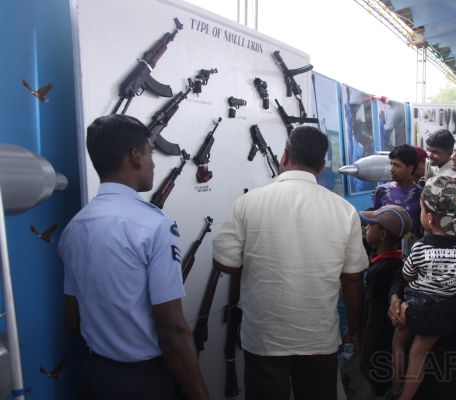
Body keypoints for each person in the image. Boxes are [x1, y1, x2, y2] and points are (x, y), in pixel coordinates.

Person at [210, 126, 368, 400]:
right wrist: (354, 329)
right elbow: (353, 278)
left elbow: (225, 263)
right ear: (321, 167)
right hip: (319, 338)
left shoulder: (248, 203)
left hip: (264, 337)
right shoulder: (344, 211)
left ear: (284, 156)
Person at [58, 115, 209, 400]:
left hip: (95, 377)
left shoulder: (74, 228)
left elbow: (72, 321)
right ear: (135, 156)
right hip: (144, 380)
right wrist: (200, 393)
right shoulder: (154, 226)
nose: (153, 163)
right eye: (150, 153)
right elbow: (172, 329)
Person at [387, 176, 456, 400]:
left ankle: (398, 390)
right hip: (430, 327)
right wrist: (394, 299)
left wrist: (411, 303)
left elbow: (406, 275)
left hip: (449, 372)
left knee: (401, 344)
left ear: (429, 217)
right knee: (417, 352)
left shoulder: (420, 247)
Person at [358, 205, 412, 396]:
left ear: (382, 235)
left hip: (378, 348)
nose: (366, 227)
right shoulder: (400, 262)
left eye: (370, 225)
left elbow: (373, 321)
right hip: (391, 347)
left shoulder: (379, 270)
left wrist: (363, 357)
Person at [372, 144, 423, 245]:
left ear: (410, 168)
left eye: (397, 165)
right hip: (387, 250)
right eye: (391, 164)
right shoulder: (381, 191)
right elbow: (376, 223)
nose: (391, 169)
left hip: (413, 250)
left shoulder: (420, 193)